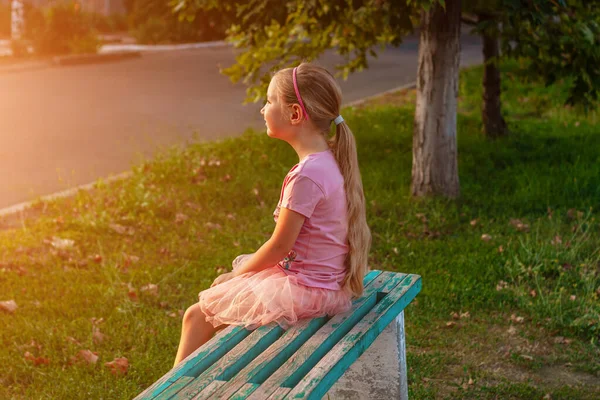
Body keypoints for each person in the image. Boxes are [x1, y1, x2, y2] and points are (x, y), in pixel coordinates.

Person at [173, 63, 371, 366]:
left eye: (269, 101)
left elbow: (280, 246)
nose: (263, 109)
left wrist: (235, 276)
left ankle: (174, 391)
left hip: (306, 290)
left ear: (294, 114)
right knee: (218, 300)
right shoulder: (329, 160)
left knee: (196, 316)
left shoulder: (306, 175)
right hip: (322, 284)